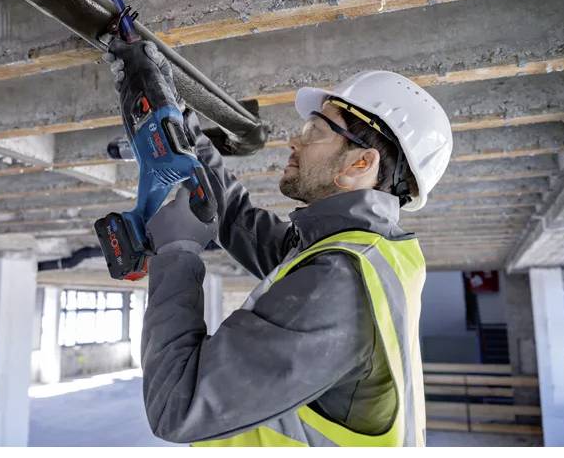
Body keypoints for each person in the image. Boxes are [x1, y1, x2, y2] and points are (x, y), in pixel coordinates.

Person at [104, 37, 453, 447]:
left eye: (314, 130)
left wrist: (177, 255)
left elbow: (177, 407)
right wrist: (182, 127)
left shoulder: (338, 286)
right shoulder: (352, 249)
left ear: (361, 163)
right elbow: (238, 220)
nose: (295, 140)